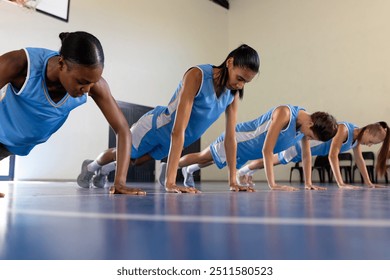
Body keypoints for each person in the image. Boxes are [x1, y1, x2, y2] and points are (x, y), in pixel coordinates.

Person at [77, 44, 260, 194]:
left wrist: (232, 181)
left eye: (246, 82)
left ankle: (104, 172)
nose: (240, 84)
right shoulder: (197, 75)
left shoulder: (232, 94)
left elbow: (230, 138)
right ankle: (92, 166)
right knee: (124, 152)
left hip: (172, 141)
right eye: (240, 78)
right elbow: (178, 129)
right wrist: (170, 182)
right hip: (156, 127)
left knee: (136, 161)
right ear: (230, 62)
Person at [0, 31, 138, 198]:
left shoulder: (94, 85)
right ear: (61, 63)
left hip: (15, 145)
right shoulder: (20, 64)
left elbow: (122, 129)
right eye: (82, 82)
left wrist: (120, 182)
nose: (87, 89)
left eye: (92, 82)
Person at [178, 104, 338, 191]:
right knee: (204, 157)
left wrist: (308, 183)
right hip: (239, 139)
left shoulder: (304, 127)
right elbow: (267, 150)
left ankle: (189, 170)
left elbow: (306, 155)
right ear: (310, 123)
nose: (308, 138)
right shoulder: (285, 114)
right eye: (311, 136)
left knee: (213, 160)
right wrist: (273, 184)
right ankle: (172, 165)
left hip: (248, 150)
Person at [237, 121, 390, 189]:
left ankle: (246, 172)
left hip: (308, 151)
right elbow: (332, 156)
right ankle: (242, 171)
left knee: (272, 160)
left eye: (372, 145)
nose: (369, 145)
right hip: (300, 146)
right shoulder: (344, 130)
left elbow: (360, 160)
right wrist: (341, 183)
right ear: (368, 131)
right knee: (272, 161)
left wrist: (369, 183)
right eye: (370, 141)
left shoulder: (356, 141)